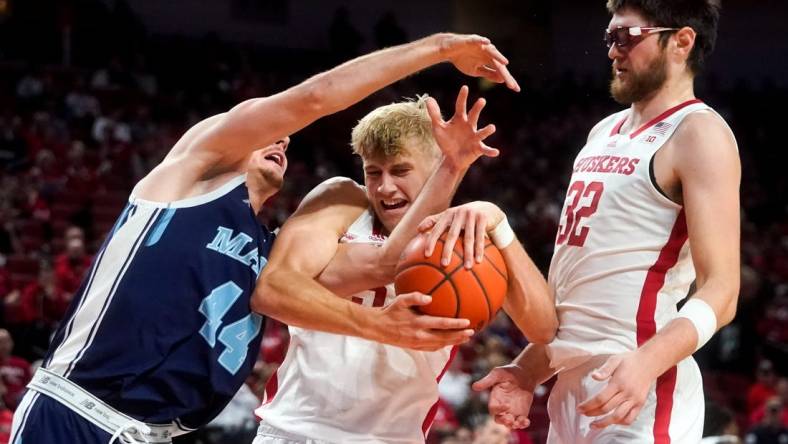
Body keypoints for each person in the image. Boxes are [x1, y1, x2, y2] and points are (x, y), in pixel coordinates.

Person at [11, 33, 520, 444]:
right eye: (270, 131)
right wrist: (438, 49)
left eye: (286, 140)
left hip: (155, 433)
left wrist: (454, 169)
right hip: (78, 412)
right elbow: (317, 98)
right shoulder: (193, 175)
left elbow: (390, 260)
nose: (283, 138)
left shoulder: (270, 248)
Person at [471, 1, 740, 443]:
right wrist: (526, 370)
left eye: (627, 37)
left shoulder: (698, 133)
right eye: (609, 37)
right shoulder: (602, 133)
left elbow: (723, 291)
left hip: (640, 387)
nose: (613, 50)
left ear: (682, 41)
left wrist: (648, 362)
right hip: (571, 390)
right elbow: (580, 299)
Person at [252, 91, 556, 443]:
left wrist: (497, 221)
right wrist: (382, 326)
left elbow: (545, 330)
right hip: (297, 430)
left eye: (400, 170)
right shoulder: (341, 201)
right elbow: (273, 290)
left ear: (434, 164)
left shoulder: (468, 236)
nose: (384, 187)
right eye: (373, 172)